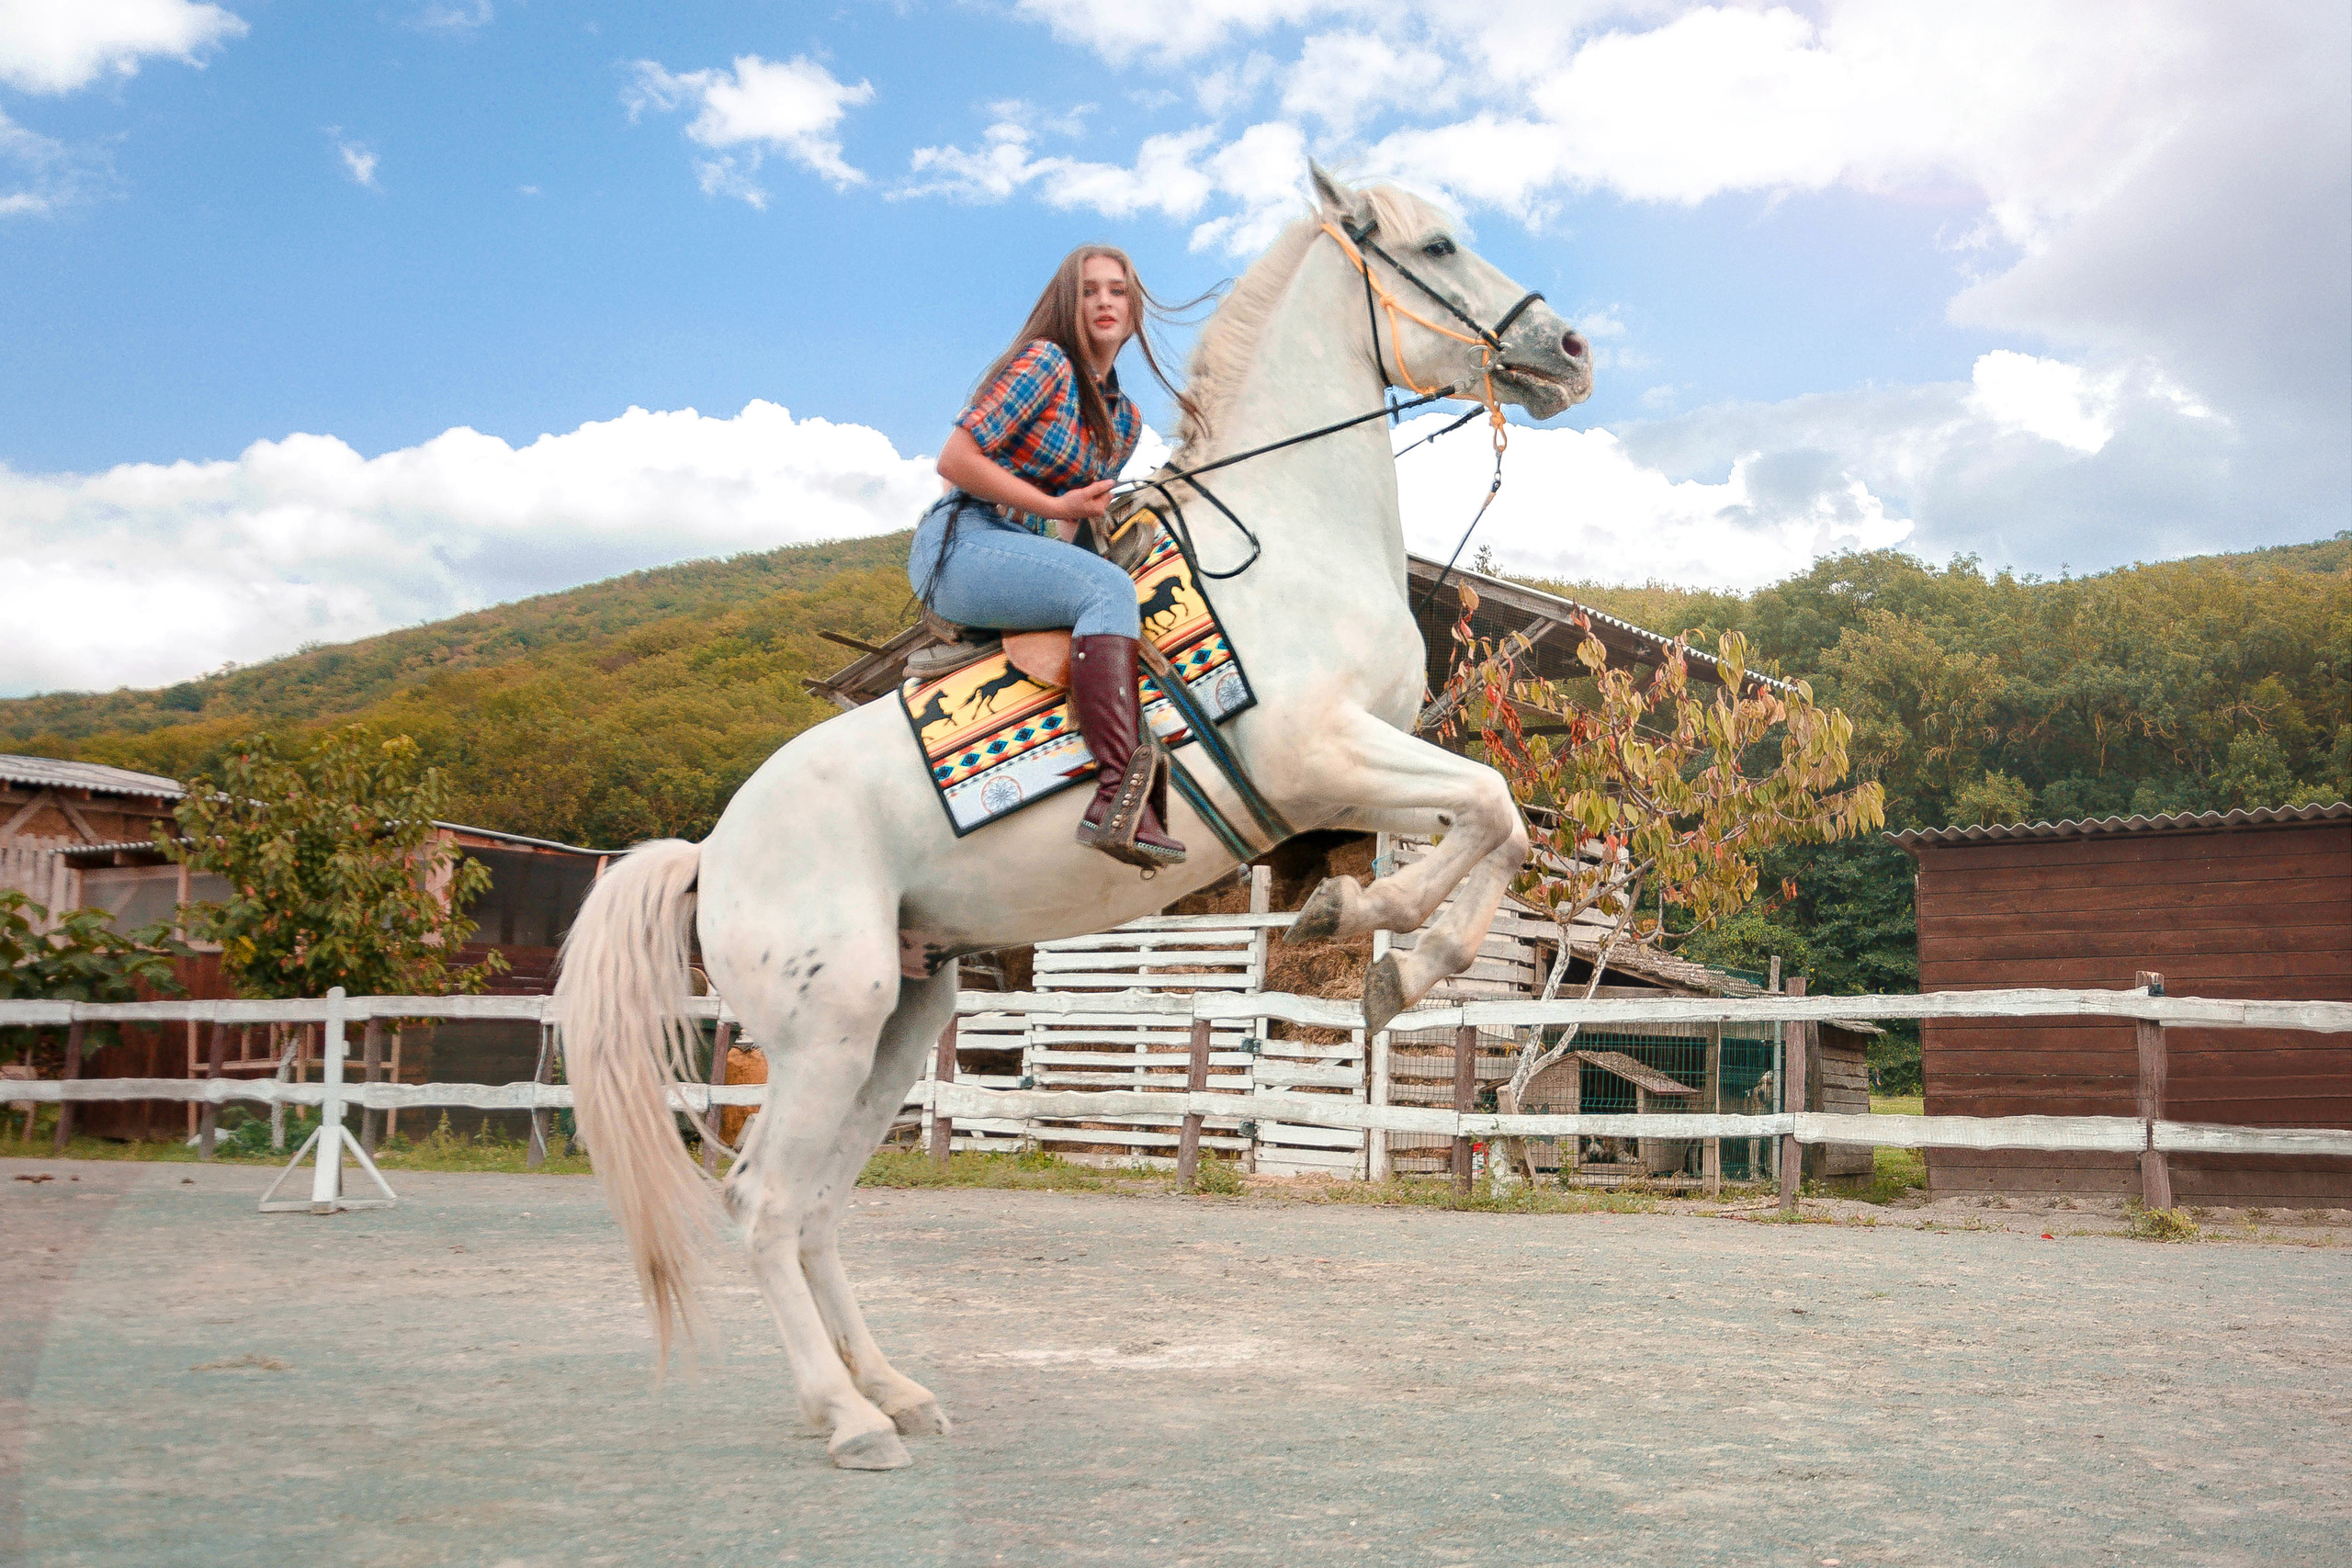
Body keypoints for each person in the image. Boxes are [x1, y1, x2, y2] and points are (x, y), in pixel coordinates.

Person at [910, 245, 1198, 869]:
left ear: (1134, 307)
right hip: (962, 540)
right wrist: (1056, 504)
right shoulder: (1044, 364)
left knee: (1123, 592)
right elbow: (955, 461)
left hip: (1029, 552)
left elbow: (1072, 532)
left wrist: (1082, 520)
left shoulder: (1125, 421)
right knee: (1106, 593)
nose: (1104, 301)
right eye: (1090, 289)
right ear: (1070, 303)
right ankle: (1117, 797)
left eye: (1117, 291)